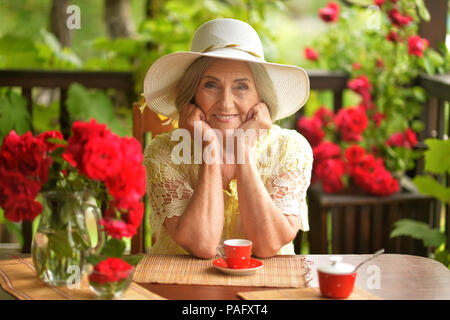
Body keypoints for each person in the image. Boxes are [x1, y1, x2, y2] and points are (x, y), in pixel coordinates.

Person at [142, 18, 312, 259]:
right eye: (211, 85)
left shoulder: (290, 148)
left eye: (241, 87)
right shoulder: (163, 151)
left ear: (260, 96)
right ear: (193, 94)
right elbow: (202, 245)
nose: (225, 103)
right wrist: (210, 151)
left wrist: (243, 150)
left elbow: (267, 245)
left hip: (268, 288)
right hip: (181, 288)